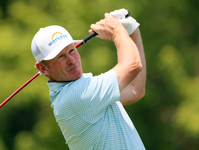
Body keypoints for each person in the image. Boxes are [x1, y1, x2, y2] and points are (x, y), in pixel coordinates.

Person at [31, 8, 146, 150]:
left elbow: (135, 89)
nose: (71, 60)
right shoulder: (75, 97)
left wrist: (132, 32)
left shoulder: (83, 89)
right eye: (61, 56)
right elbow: (133, 65)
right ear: (43, 68)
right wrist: (118, 31)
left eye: (72, 50)